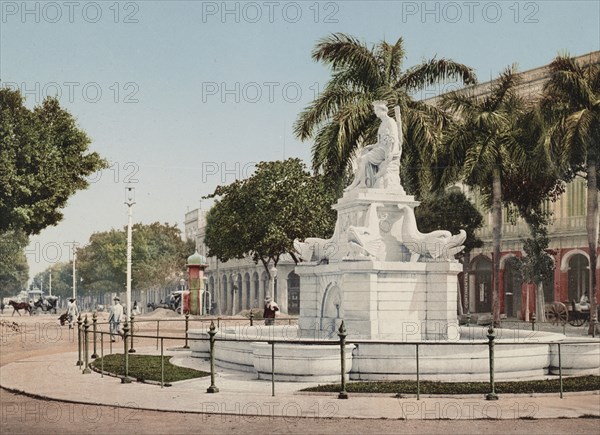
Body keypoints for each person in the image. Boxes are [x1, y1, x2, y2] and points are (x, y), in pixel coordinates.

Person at [345, 100, 402, 191]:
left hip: (386, 150)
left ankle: (358, 184)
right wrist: (369, 146)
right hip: (380, 149)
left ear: (383, 110)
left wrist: (391, 153)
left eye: (377, 110)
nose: (375, 113)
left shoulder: (390, 122)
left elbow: (394, 139)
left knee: (363, 159)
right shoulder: (381, 124)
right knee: (361, 158)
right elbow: (379, 143)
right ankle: (361, 183)